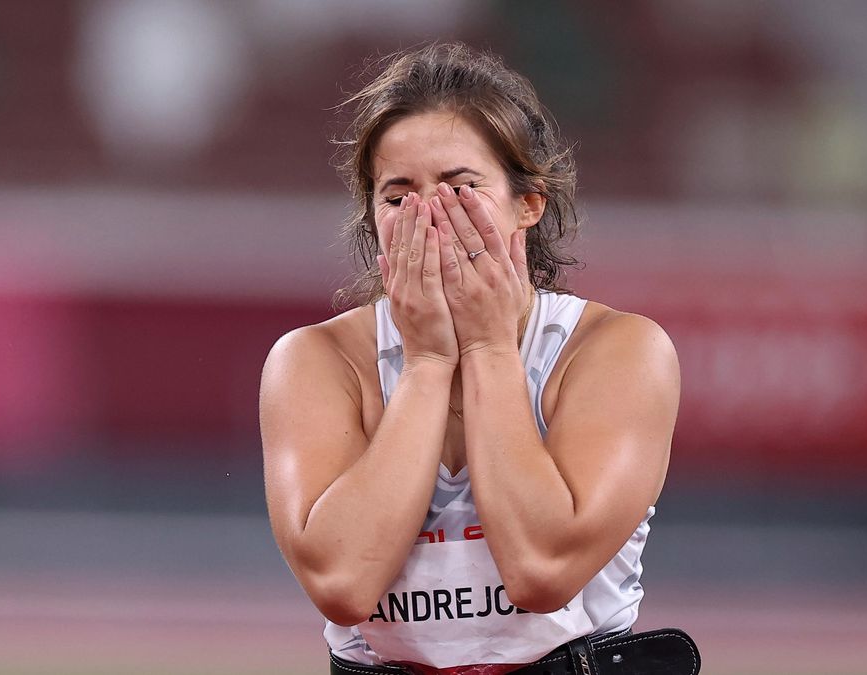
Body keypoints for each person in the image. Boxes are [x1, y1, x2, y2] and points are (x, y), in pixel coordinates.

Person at [259, 42, 699, 675]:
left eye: (460, 188)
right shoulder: (316, 361)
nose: (431, 217)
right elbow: (344, 586)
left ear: (529, 204)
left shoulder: (616, 351)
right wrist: (428, 362)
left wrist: (491, 348)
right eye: (397, 195)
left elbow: (542, 571)